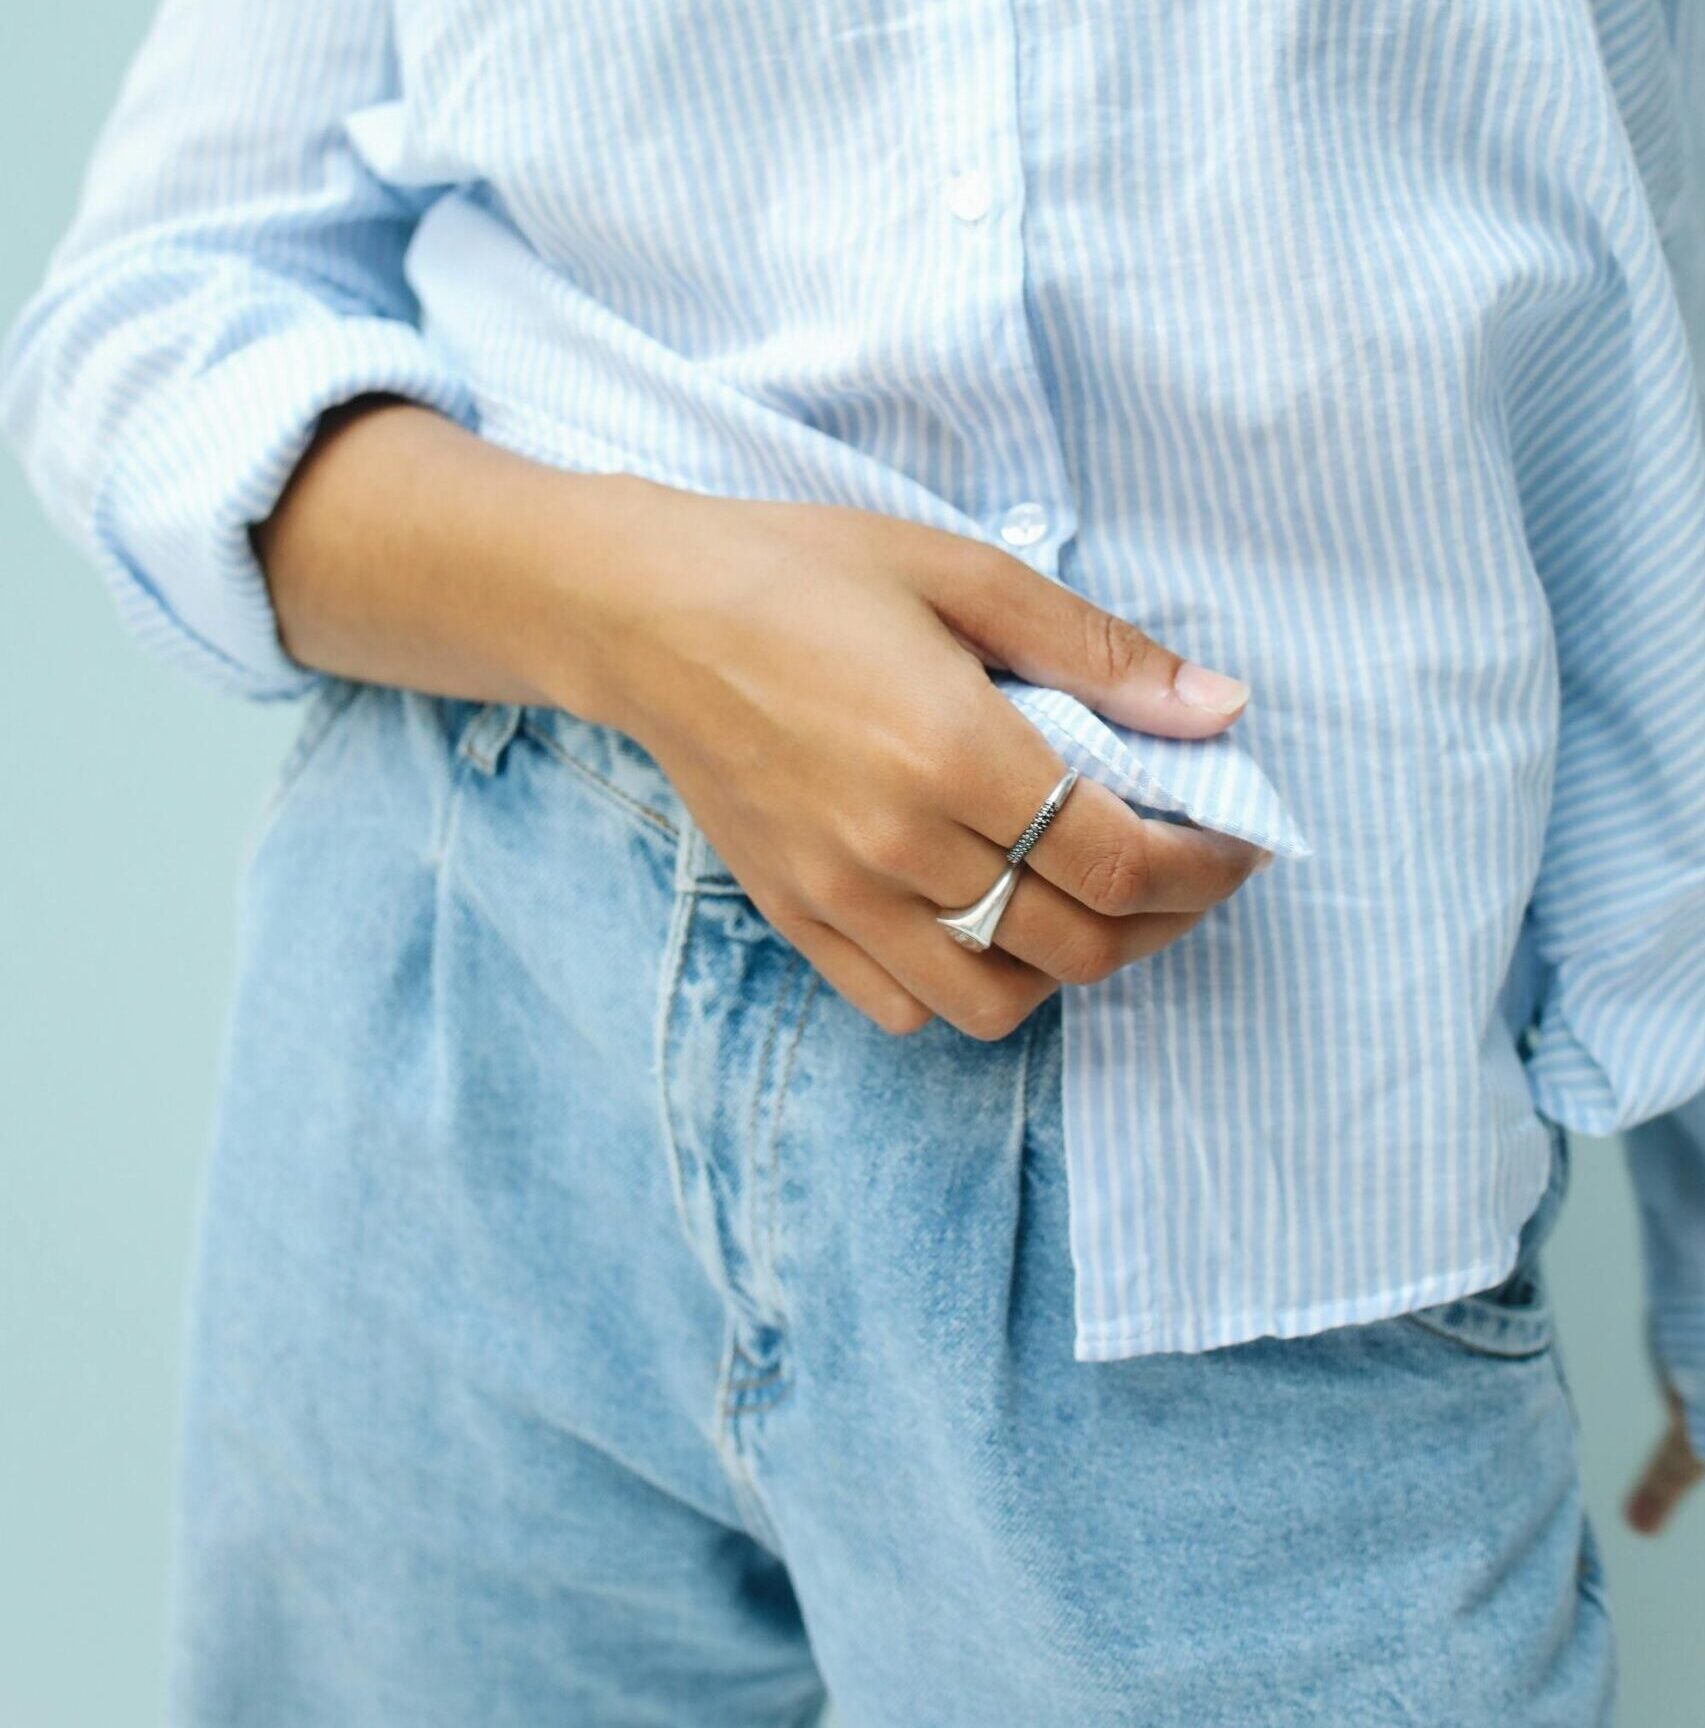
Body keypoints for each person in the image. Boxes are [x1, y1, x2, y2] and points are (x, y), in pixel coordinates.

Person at [4, 1, 1703, 1722]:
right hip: (460, 1059)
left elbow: (1659, 378)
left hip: (1232, 1196)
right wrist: (641, 612)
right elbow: (152, 319)